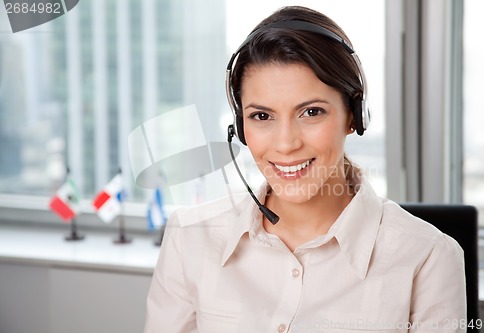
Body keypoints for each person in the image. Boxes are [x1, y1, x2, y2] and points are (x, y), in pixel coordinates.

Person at [144, 6, 466, 333]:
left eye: (311, 112)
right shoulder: (189, 238)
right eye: (262, 116)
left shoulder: (429, 258)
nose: (285, 144)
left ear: (354, 115)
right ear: (241, 127)